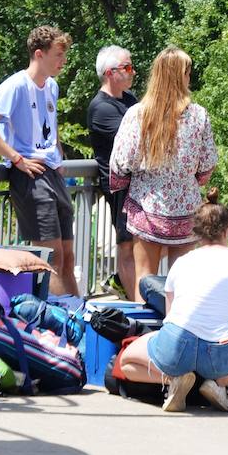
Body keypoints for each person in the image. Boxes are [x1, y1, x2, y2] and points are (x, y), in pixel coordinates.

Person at [114, 191, 228, 412]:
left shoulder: (182, 263)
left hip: (176, 347)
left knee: (126, 362)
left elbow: (171, 315)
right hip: (221, 353)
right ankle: (217, 384)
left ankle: (176, 381)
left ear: (196, 233)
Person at [0, 25, 80, 297]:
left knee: (68, 256)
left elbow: (50, 126)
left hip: (53, 172)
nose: (62, 61)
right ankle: (56, 325)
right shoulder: (16, 85)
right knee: (50, 260)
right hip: (31, 177)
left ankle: (78, 316)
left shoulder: (52, 86)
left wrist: (58, 155)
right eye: (58, 55)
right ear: (39, 54)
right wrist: (16, 158)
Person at [109, 46, 217, 299]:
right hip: (186, 210)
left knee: (144, 278)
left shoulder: (138, 114)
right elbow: (207, 164)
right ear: (181, 76)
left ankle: (143, 334)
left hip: (147, 206)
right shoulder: (198, 115)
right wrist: (191, 181)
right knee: (185, 282)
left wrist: (129, 182)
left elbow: (120, 162)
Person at [87, 44, 138, 298]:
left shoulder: (129, 100)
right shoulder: (101, 108)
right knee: (127, 246)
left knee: (145, 245)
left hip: (138, 184)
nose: (132, 72)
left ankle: (123, 283)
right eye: (127, 68)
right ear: (109, 72)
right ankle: (137, 302)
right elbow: (137, 139)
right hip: (120, 187)